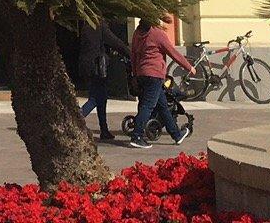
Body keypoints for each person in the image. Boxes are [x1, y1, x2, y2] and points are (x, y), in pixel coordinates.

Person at [128, 15, 195, 148]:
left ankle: (176, 135)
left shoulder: (137, 33)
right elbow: (173, 52)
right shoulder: (157, 34)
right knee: (147, 106)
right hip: (154, 75)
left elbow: (134, 55)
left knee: (163, 106)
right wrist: (189, 67)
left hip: (142, 74)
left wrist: (135, 74)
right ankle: (137, 136)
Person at [75, 17, 128, 142]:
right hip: (97, 67)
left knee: (101, 98)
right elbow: (115, 42)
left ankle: (104, 130)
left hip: (87, 66)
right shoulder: (99, 25)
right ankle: (77, 119)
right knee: (95, 98)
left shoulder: (86, 26)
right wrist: (130, 53)